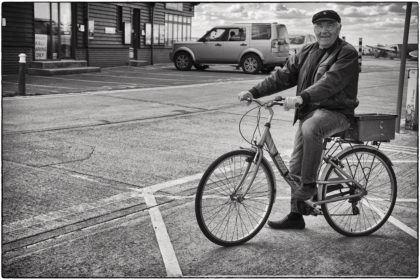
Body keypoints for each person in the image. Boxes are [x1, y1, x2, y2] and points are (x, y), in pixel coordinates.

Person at [238, 10, 360, 230]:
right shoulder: (307, 50)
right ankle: (296, 216)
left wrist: (301, 98)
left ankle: (310, 185)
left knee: (312, 126)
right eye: (319, 26)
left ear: (339, 28)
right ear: (314, 29)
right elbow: (283, 75)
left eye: (330, 25)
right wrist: (253, 91)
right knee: (294, 167)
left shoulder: (347, 53)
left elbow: (330, 82)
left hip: (337, 112)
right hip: (309, 112)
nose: (324, 31)